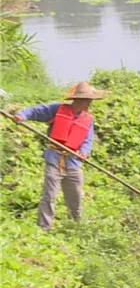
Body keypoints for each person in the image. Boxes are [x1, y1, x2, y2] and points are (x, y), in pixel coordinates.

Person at [14, 82, 105, 230]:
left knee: (75, 197)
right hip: (54, 160)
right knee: (49, 195)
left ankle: (76, 225)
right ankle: (44, 228)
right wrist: (22, 116)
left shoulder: (88, 119)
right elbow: (35, 111)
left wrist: (84, 152)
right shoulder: (57, 110)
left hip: (73, 163)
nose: (89, 103)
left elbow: (88, 140)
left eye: (90, 100)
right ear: (77, 100)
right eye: (86, 100)